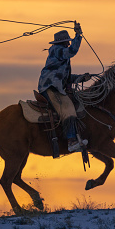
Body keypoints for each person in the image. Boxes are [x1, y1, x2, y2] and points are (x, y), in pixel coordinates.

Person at [38, 21, 90, 152]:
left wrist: (82, 78)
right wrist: (78, 34)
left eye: (69, 41)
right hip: (50, 87)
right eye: (67, 42)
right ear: (63, 43)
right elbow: (72, 51)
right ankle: (71, 142)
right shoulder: (57, 50)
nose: (68, 43)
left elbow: (66, 78)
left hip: (56, 86)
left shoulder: (60, 55)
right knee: (68, 109)